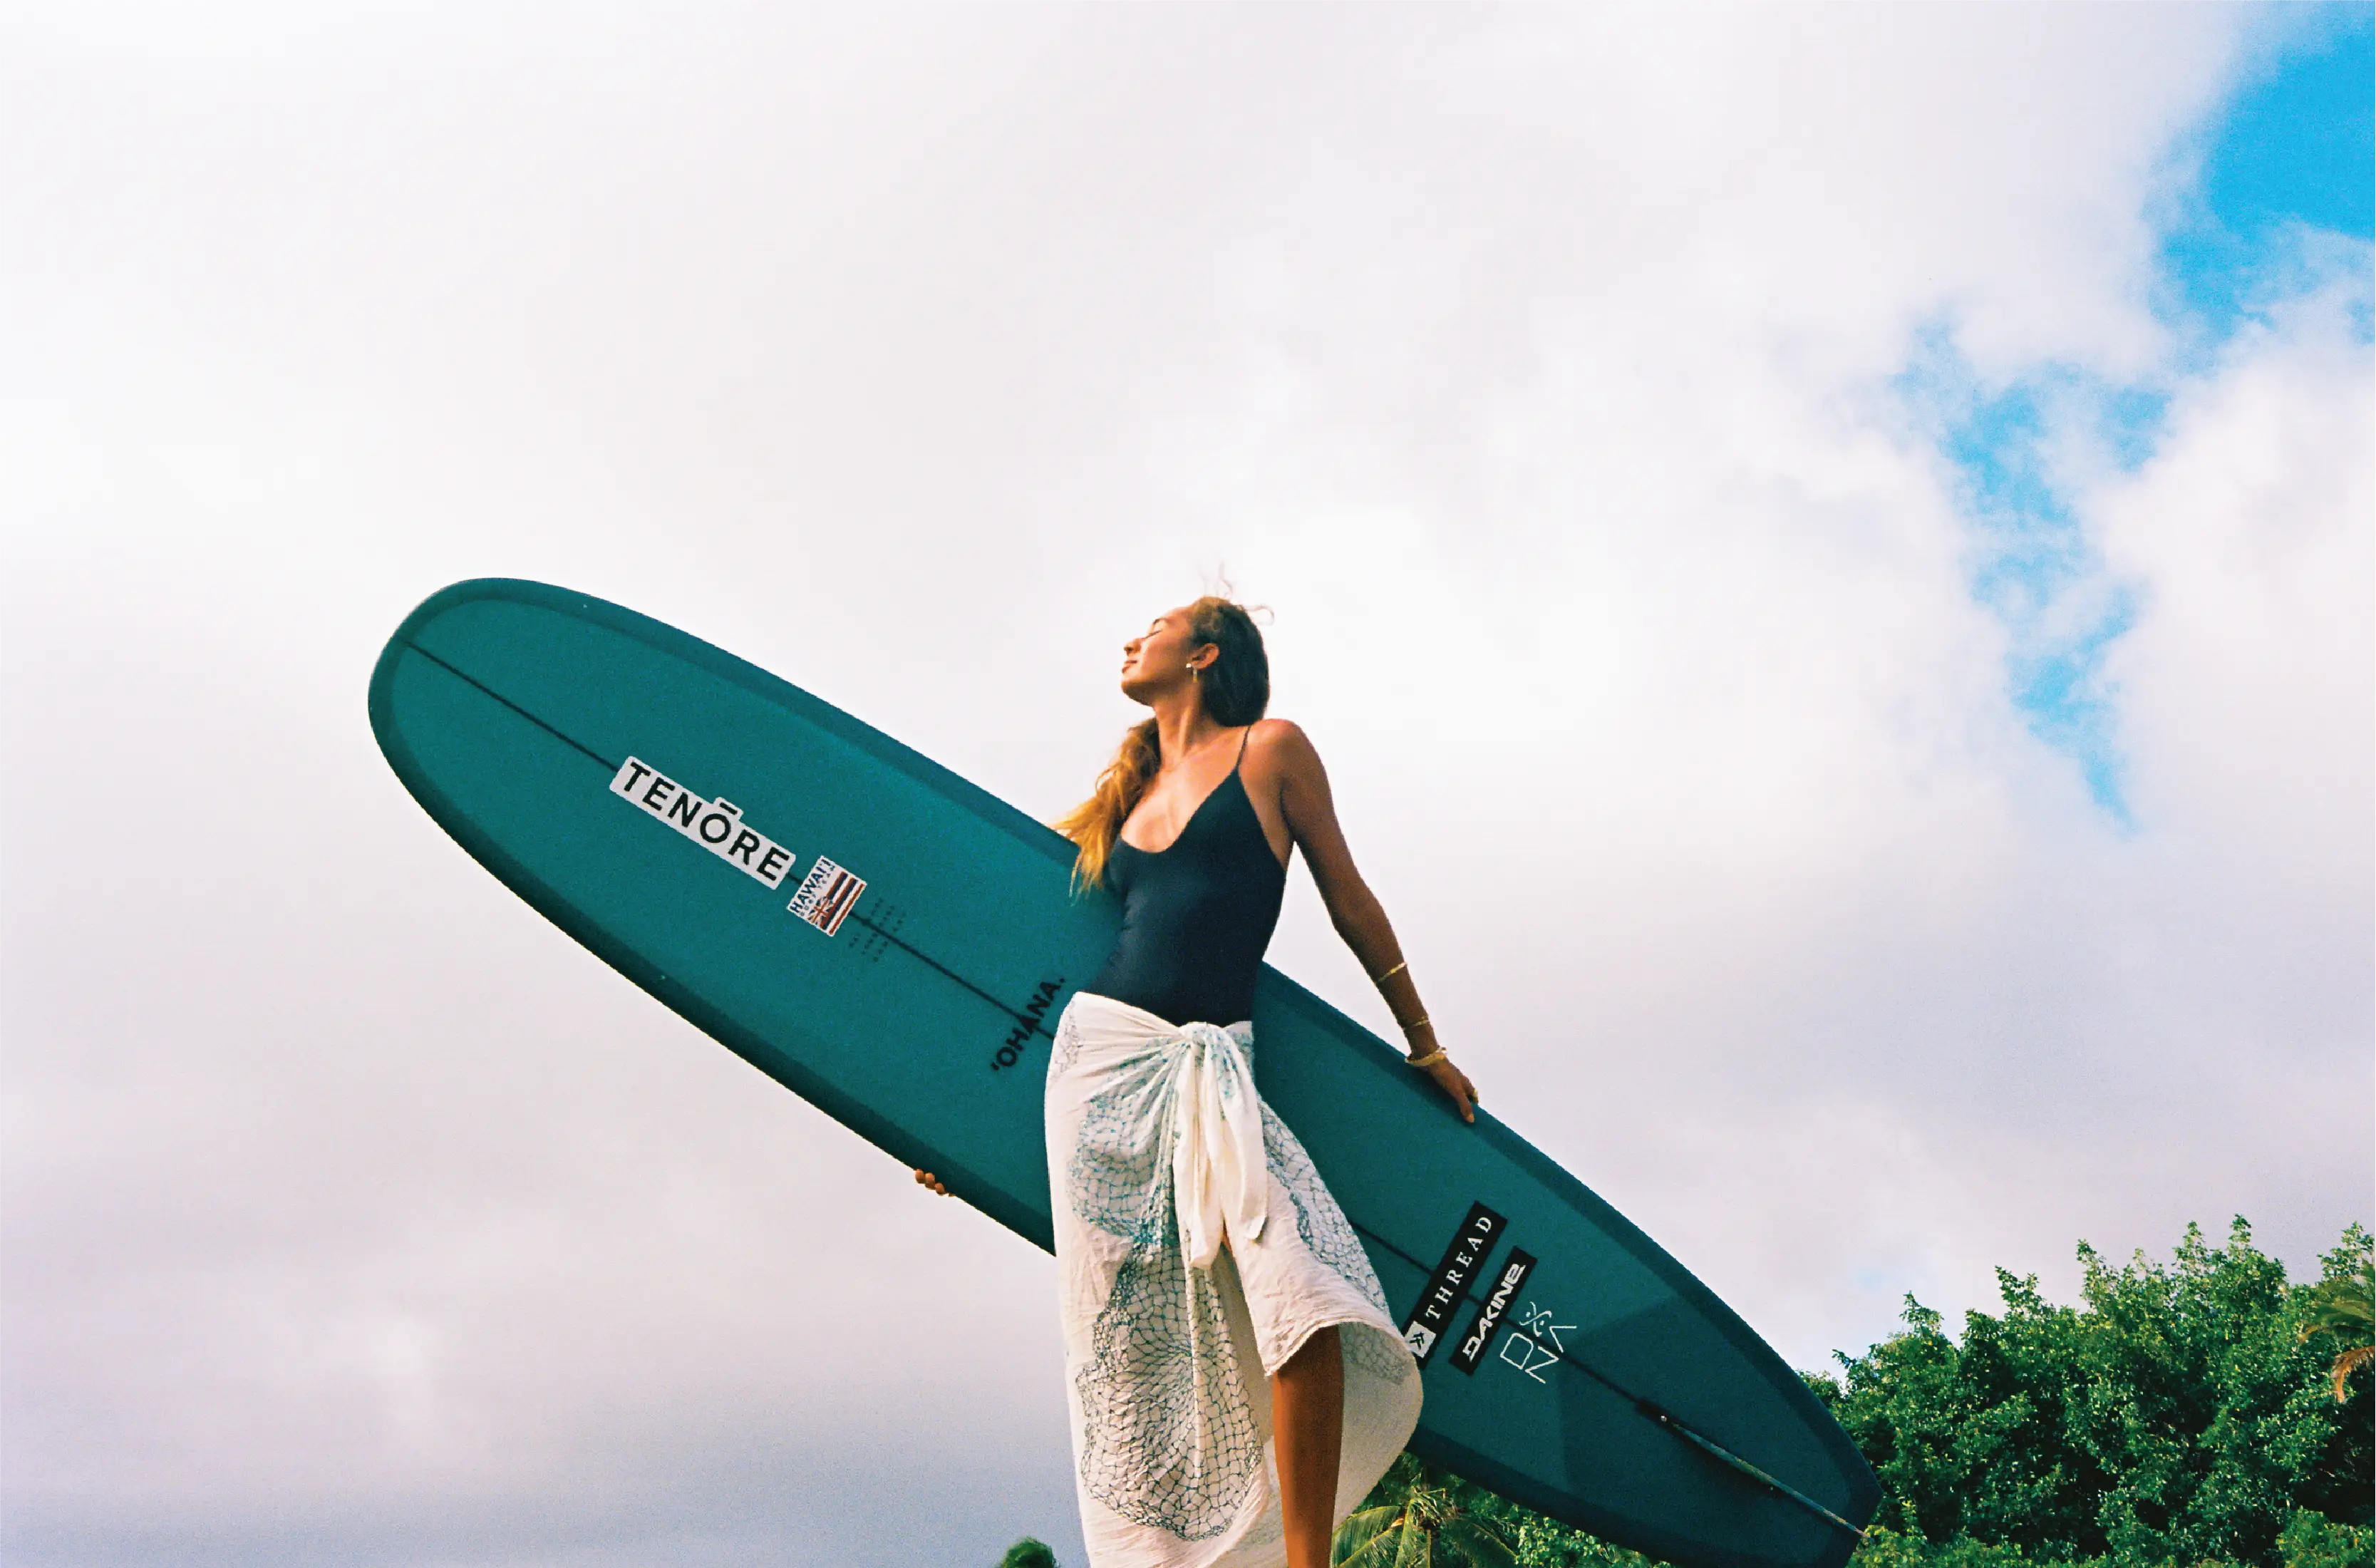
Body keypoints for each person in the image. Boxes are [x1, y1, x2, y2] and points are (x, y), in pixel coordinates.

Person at [918, 596, 1479, 1568]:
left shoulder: (1271, 750)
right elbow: (1028, 963)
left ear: (1204, 655)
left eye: (1155, 625)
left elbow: (1347, 894)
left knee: (1298, 1298)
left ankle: (1304, 1559)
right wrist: (962, 1139)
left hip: (1214, 1069)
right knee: (1128, 1350)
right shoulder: (1122, 802)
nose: (1131, 637)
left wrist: (1422, 1041)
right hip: (1098, 1068)